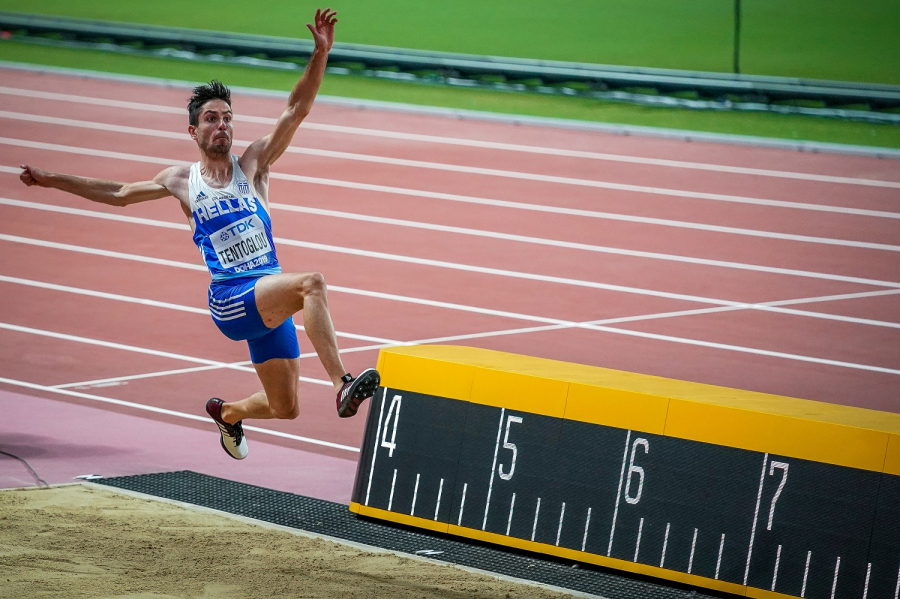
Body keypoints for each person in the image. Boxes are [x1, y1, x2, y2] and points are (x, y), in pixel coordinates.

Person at [18, 8, 379, 460]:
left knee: (285, 407)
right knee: (313, 283)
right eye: (211, 118)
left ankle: (226, 412)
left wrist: (321, 54)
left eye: (227, 117)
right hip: (231, 298)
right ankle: (343, 384)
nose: (222, 124)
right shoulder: (181, 180)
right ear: (193, 130)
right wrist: (52, 178)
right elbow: (118, 192)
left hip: (267, 296)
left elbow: (296, 108)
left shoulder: (254, 166)